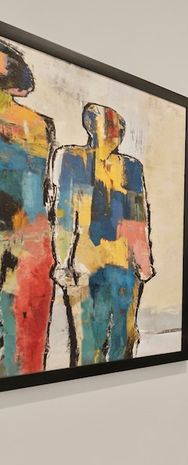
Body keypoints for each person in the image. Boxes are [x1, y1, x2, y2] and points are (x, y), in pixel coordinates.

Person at [51, 103, 155, 365]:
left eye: (118, 125)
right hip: (85, 265)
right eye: (109, 124)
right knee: (88, 346)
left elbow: (137, 218)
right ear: (90, 127)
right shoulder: (72, 158)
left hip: (123, 266)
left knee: (125, 339)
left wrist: (143, 262)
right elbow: (63, 213)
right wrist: (62, 262)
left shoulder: (131, 167)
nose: (115, 131)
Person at [0, 40, 55, 375]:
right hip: (29, 238)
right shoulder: (39, 125)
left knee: (24, 352)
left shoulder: (40, 125)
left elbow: (44, 187)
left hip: (30, 240)